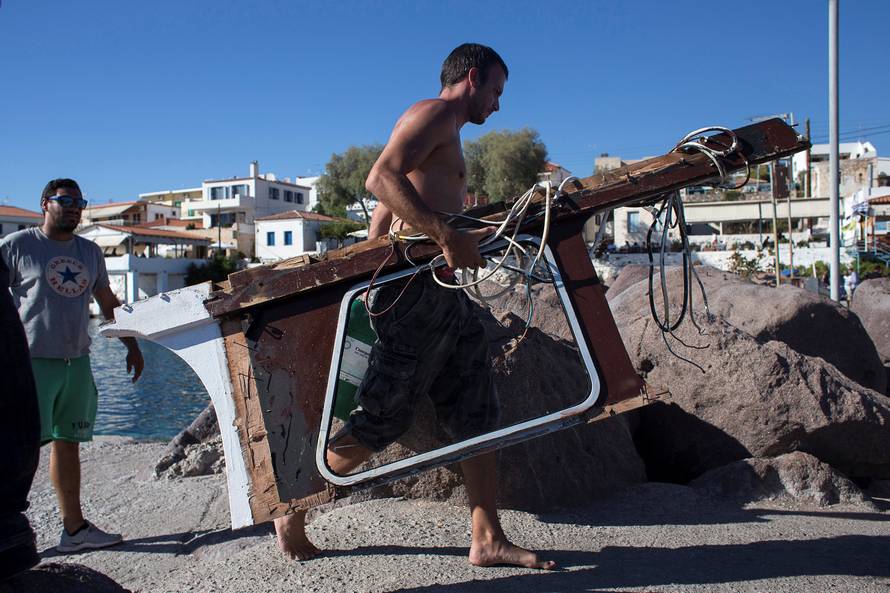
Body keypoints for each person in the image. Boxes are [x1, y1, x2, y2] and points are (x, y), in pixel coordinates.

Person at [274, 43, 555, 570]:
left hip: (436, 289)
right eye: (496, 90)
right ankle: (293, 503)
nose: (498, 105)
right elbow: (380, 177)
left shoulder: (441, 130)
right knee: (385, 416)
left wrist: (375, 261)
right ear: (472, 77)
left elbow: (391, 201)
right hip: (416, 290)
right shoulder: (433, 115)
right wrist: (444, 232)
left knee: (478, 409)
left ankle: (487, 537)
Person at [0, 178, 144, 553]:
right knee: (18, 449)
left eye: (79, 202)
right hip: (30, 365)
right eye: (65, 200)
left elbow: (107, 301)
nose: (74, 207)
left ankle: (74, 530)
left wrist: (131, 343)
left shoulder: (90, 252)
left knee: (68, 444)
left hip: (76, 361)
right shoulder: (17, 247)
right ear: (45, 204)